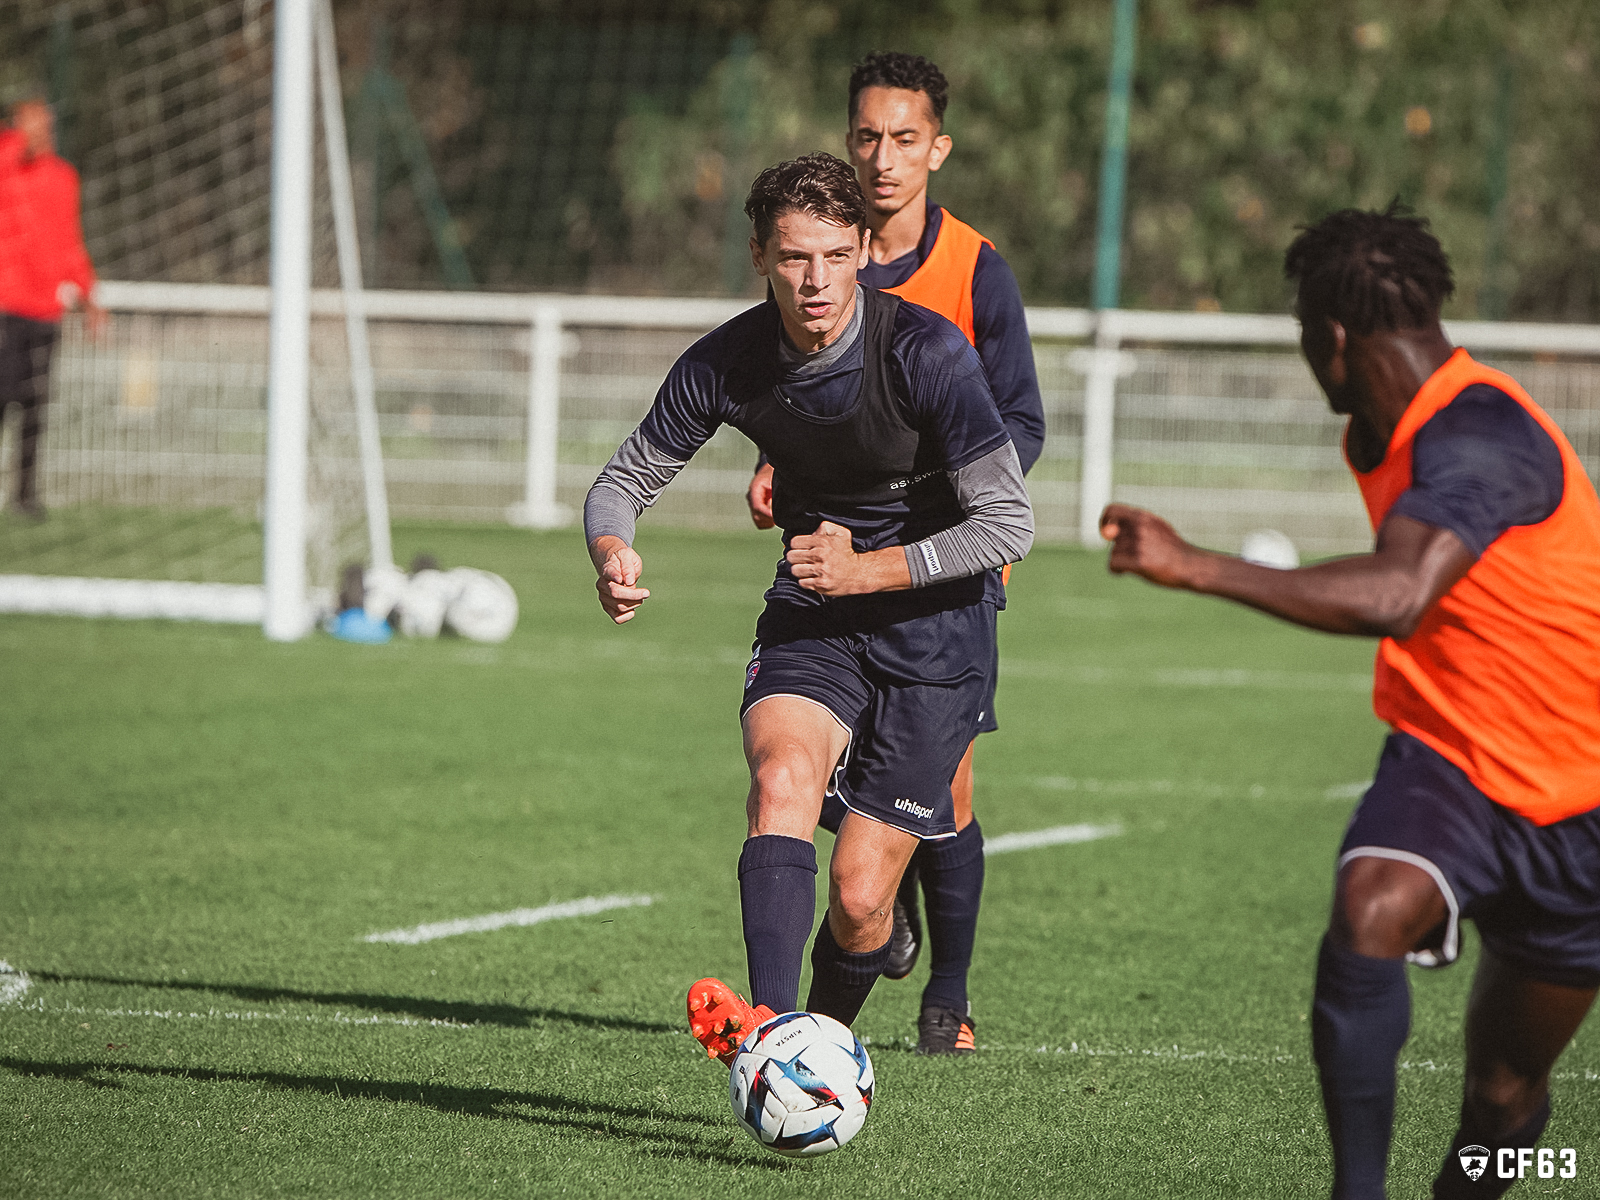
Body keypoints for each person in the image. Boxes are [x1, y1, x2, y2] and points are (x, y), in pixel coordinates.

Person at [1100, 205, 1600, 1199]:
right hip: (1448, 753)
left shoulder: (1482, 432)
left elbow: (1397, 592)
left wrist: (1195, 564)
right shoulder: (1378, 427)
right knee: (1370, 906)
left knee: (1504, 1101)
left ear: (1329, 337)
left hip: (1578, 794)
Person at [583, 153, 1032, 1067]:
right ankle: (769, 1037)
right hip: (813, 610)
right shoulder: (731, 358)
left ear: (865, 249)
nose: (815, 280)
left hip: (937, 629)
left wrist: (875, 568)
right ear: (759, 256)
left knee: (864, 900)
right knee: (780, 783)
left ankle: (819, 1041)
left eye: (834, 254)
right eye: (793, 258)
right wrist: (612, 548)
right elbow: (623, 479)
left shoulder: (925, 352)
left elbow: (1010, 521)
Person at [745, 51, 1046, 1056]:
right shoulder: (821, 251)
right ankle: (868, 923)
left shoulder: (977, 271)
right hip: (832, 568)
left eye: (903, 139)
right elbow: (792, 390)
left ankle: (945, 1000)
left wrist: (930, 508)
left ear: (937, 150)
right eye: (865, 136)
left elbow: (1020, 430)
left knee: (949, 789)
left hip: (946, 568)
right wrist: (776, 462)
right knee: (824, 789)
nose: (881, 157)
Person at [0, 98, 104, 520]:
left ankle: (25, 494)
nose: (44, 131)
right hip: (5, 307)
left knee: (35, 403)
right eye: (34, 123)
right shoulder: (6, 165)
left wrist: (89, 298)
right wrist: (17, 140)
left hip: (45, 312)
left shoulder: (63, 178)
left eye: (48, 123)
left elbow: (70, 243)